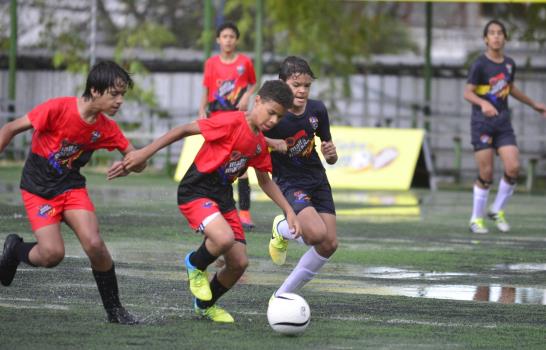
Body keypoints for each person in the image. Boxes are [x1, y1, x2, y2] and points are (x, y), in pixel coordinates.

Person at [120, 80, 301, 323]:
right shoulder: (230, 121)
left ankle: (205, 305)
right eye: (271, 113)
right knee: (223, 238)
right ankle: (194, 264)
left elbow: (264, 180)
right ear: (257, 101)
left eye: (278, 118)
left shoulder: (259, 144)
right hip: (197, 189)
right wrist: (143, 152)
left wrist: (288, 209)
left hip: (223, 196)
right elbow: (184, 130)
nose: (273, 121)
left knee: (239, 263)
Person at [0, 61, 145, 324]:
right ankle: (15, 250)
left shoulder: (106, 128)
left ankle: (115, 311)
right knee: (52, 255)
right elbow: (9, 129)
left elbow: (137, 158)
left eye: (123, 95)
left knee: (94, 243)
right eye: (115, 94)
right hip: (38, 190)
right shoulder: (57, 109)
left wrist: (128, 165)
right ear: (95, 90)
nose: (120, 101)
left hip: (71, 188)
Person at [264, 56, 338, 300]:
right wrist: (271, 142)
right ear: (283, 84)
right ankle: (282, 228)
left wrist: (332, 155)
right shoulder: (274, 115)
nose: (302, 91)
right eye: (296, 85)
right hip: (289, 182)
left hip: (317, 179)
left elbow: (329, 153)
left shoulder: (317, 110)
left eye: (307, 85)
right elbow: (249, 133)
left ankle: (282, 295)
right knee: (316, 235)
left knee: (329, 245)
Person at [464, 19, 546, 234]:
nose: (496, 36)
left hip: (502, 124)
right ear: (485, 39)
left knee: (513, 168)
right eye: (491, 33)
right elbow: (467, 92)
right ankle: (476, 220)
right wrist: (483, 103)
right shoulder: (479, 64)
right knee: (487, 174)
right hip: (482, 124)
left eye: (500, 33)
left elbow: (510, 88)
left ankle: (497, 209)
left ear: (505, 38)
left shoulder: (509, 64)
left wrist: (534, 104)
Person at [198, 21, 257, 230]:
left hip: (238, 119)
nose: (228, 40)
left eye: (232, 36)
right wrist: (201, 110)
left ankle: (245, 214)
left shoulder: (245, 62)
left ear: (236, 40)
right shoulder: (211, 63)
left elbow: (253, 83)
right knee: (215, 164)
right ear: (218, 40)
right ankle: (211, 211)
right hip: (216, 119)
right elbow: (206, 89)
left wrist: (247, 97)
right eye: (224, 36)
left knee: (240, 165)